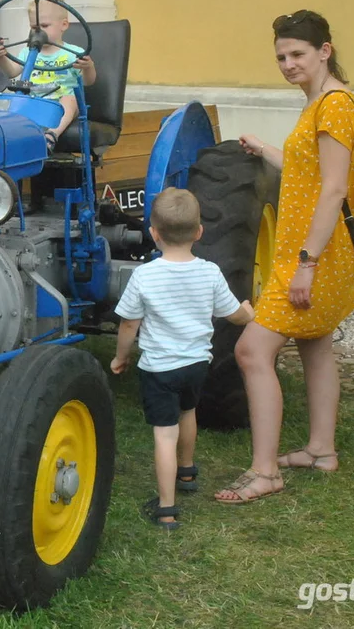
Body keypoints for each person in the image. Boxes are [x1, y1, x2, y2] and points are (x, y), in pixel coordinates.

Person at [214, 10, 354, 505]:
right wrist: (264, 150)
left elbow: (335, 189)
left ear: (325, 51)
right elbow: (310, 174)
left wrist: (306, 262)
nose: (287, 63)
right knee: (316, 343)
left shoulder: (335, 105)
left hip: (315, 254)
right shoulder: (320, 102)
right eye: (281, 56)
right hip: (313, 251)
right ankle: (321, 450)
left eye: (298, 53)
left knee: (251, 350)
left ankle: (265, 472)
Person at [110, 188, 255, 528]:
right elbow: (233, 314)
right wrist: (248, 312)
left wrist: (120, 357)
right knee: (188, 412)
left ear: (153, 233)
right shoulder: (209, 272)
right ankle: (187, 473)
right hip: (195, 365)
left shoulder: (144, 276)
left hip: (160, 368)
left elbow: (129, 323)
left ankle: (166, 508)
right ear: (199, 231)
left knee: (164, 433)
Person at [0, 0, 96, 145]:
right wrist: (1, 57)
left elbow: (88, 82)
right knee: (9, 101)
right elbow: (11, 72)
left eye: (45, 26)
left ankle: (51, 136)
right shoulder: (28, 52)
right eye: (34, 27)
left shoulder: (73, 53)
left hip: (62, 105)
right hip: (34, 102)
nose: (38, 32)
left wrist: (88, 67)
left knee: (70, 99)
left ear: (64, 25)